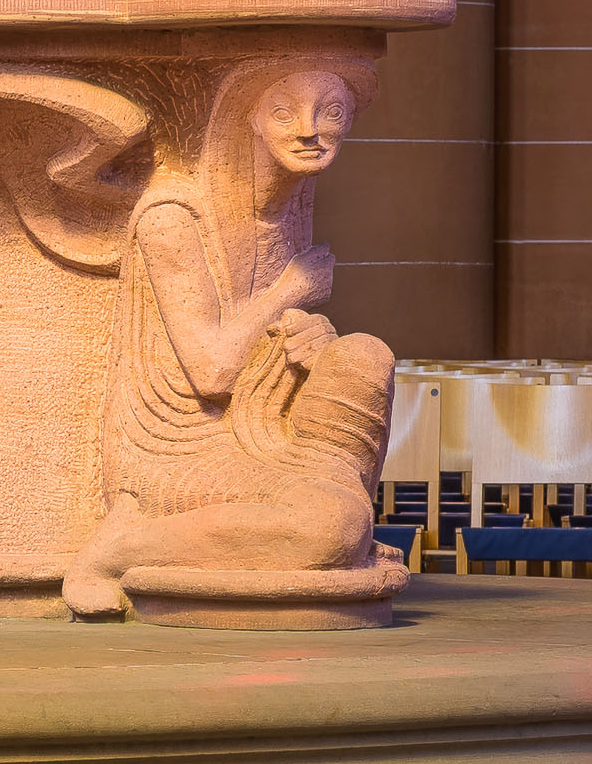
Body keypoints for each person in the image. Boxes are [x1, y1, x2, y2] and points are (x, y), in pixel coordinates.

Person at [64, 60, 401, 618]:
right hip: (183, 445)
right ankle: (117, 547)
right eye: (284, 112)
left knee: (366, 355)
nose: (309, 130)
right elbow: (214, 372)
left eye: (332, 112)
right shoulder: (173, 217)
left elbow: (263, 340)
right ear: (247, 119)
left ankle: (342, 522)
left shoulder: (289, 207)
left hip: (266, 421)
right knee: (328, 526)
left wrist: (309, 333)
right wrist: (291, 290)